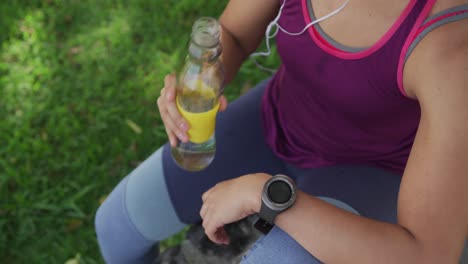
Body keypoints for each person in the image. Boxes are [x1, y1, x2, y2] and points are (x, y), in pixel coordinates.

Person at [94, 0, 468, 263]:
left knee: (274, 258)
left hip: (374, 173)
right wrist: (205, 77)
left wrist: (265, 195)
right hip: (277, 120)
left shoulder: (449, 48)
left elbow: (426, 254)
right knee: (115, 226)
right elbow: (235, 34)